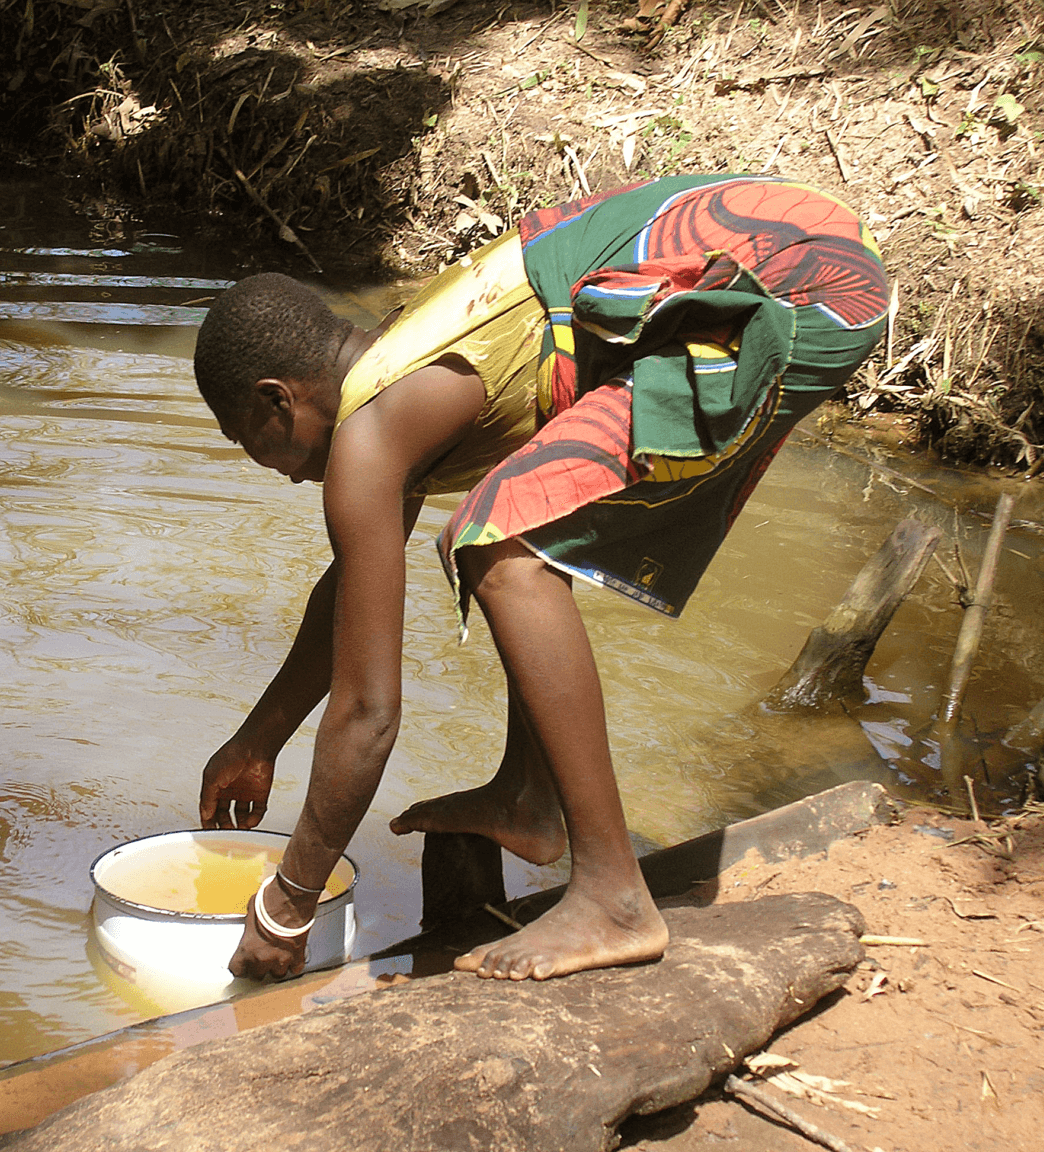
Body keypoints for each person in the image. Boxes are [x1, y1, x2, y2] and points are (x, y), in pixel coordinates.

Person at [192, 173, 889, 982]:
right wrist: (259, 738)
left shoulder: (370, 435)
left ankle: (613, 897)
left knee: (497, 542)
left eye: (254, 444)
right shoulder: (395, 370)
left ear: (277, 401)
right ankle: (529, 800)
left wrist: (286, 904)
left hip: (800, 283)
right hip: (806, 250)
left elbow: (369, 712)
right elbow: (350, 593)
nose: (276, 474)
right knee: (512, 522)